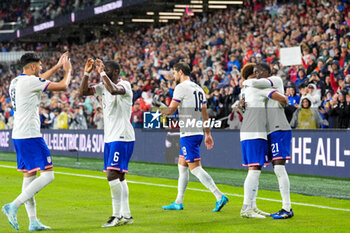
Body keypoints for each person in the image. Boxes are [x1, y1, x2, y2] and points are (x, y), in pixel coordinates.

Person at [2, 52, 72, 231]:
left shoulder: (16, 81)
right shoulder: (31, 82)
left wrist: (56, 67)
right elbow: (63, 86)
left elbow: (39, 79)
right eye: (40, 65)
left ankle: (33, 222)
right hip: (30, 136)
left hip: (19, 135)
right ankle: (13, 206)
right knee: (48, 175)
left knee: (29, 177)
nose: (41, 68)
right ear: (33, 66)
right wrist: (67, 70)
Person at [161, 62, 229, 212]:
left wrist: (161, 111)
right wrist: (208, 133)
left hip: (189, 134)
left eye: (174, 73)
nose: (174, 76)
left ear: (180, 72)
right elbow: (204, 113)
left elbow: (171, 110)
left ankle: (219, 196)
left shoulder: (181, 87)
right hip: (196, 131)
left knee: (195, 169)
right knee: (182, 167)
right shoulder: (198, 88)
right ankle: (178, 201)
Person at [79, 58, 135, 227]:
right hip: (110, 137)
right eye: (103, 69)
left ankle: (116, 216)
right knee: (120, 177)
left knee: (112, 175)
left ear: (115, 72)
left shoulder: (125, 85)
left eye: (106, 69)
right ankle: (127, 215)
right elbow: (83, 91)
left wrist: (101, 71)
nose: (103, 71)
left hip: (122, 136)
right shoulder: (102, 86)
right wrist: (87, 72)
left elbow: (113, 89)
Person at [243, 62, 294, 219]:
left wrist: (244, 80)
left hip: (278, 128)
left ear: (267, 71)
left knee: (278, 169)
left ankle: (287, 208)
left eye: (259, 71)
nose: (257, 74)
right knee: (267, 168)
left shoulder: (275, 80)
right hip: (268, 131)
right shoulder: (261, 89)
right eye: (255, 72)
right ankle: (252, 207)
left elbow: (256, 83)